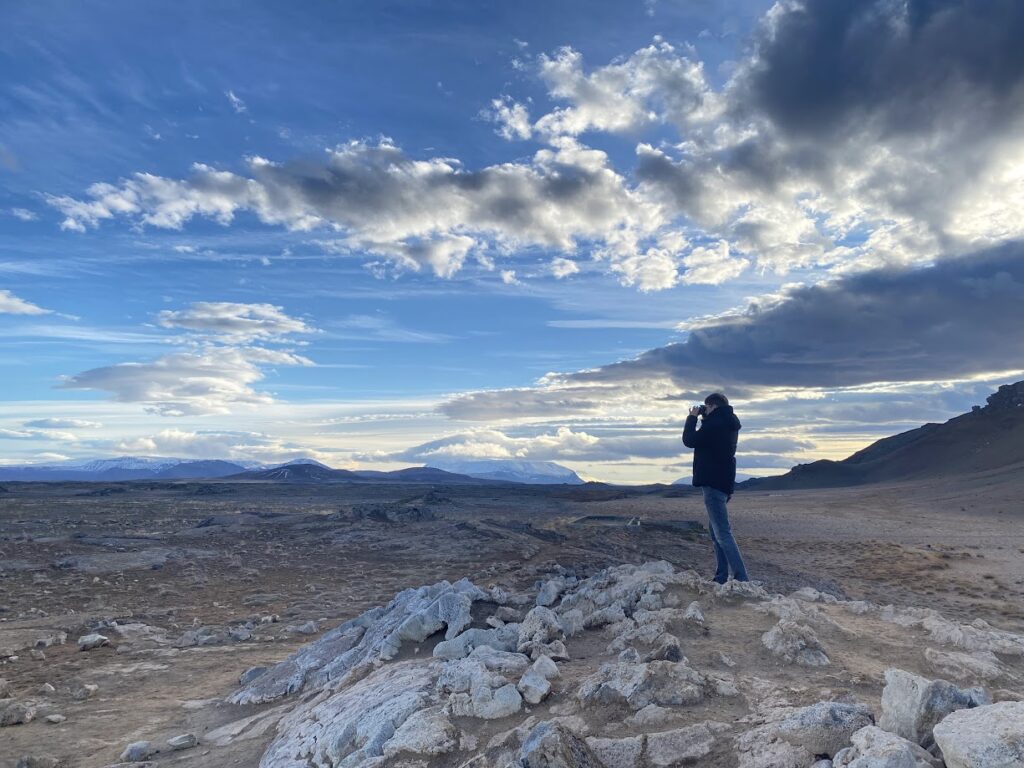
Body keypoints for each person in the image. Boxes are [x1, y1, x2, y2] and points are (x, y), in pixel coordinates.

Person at [682, 392, 749, 583]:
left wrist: (692, 417)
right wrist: (705, 418)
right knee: (716, 531)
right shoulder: (728, 423)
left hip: (712, 483)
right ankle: (721, 576)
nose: (704, 410)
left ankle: (741, 579)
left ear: (713, 406)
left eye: (706, 407)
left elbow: (690, 440)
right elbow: (712, 445)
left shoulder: (715, 424)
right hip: (724, 482)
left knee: (722, 533)